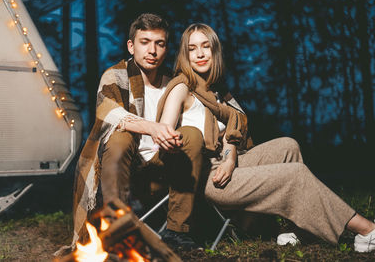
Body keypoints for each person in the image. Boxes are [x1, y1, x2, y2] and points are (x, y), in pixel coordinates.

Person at [156, 23, 375, 252]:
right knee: (295, 175)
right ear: (185, 54)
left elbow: (234, 130)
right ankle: (366, 230)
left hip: (223, 162)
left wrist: (230, 160)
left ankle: (294, 228)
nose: (200, 54)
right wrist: (168, 139)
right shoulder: (182, 87)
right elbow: (165, 130)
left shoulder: (217, 91)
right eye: (192, 48)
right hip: (204, 177)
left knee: (288, 146)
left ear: (215, 51)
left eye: (205, 46)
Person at [70, 14, 204, 251]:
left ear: (166, 48)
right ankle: (116, 229)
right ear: (131, 46)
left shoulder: (175, 83)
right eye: (145, 42)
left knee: (191, 133)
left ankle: (177, 231)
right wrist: (153, 128)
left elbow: (206, 110)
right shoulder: (116, 75)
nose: (152, 50)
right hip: (125, 175)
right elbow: (107, 111)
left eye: (159, 43)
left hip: (164, 169)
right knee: (120, 136)